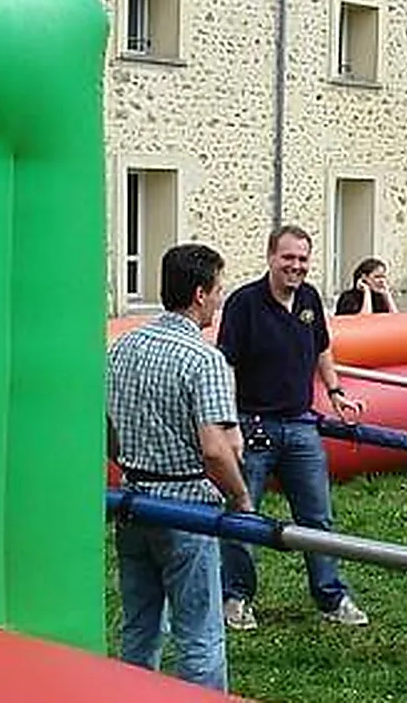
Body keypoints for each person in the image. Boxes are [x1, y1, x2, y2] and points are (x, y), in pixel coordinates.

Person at [107, 243, 253, 689]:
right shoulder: (205, 360)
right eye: (218, 290)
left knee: (139, 626)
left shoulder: (122, 347)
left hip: (132, 501)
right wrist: (240, 498)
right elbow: (215, 449)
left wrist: (128, 461)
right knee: (200, 635)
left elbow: (104, 426)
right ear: (199, 294)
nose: (219, 300)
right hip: (186, 507)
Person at [218, 225, 369, 631]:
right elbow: (226, 364)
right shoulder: (243, 303)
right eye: (288, 257)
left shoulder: (309, 299)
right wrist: (229, 422)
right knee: (242, 515)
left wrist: (335, 391)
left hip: (301, 425)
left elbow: (322, 347)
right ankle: (236, 597)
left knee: (318, 518)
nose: (296, 266)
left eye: (303, 259)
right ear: (271, 257)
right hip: (253, 426)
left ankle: (331, 596)